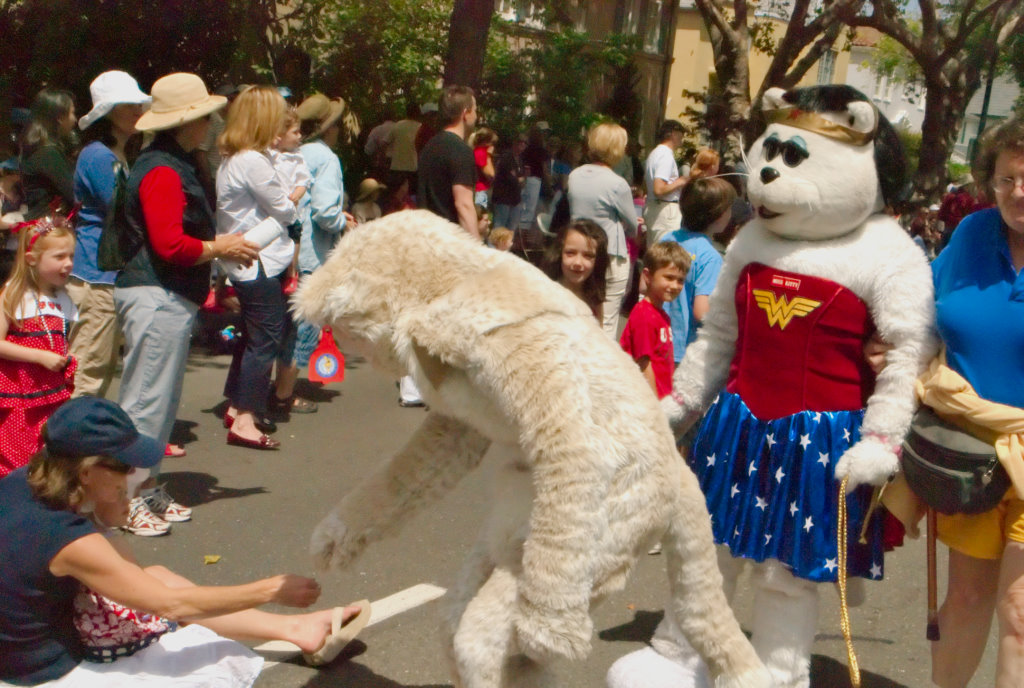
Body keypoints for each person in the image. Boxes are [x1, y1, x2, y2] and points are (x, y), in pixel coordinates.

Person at [0, 396, 369, 687]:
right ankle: (294, 627)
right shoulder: (70, 540)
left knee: (155, 575)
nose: (133, 473)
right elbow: (171, 605)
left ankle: (295, 629)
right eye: (125, 467)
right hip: (45, 671)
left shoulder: (23, 480)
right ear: (85, 471)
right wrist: (269, 590)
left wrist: (109, 508)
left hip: (16, 646)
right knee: (182, 629)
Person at [115, 73, 259, 536]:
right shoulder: (162, 169)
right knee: (146, 402)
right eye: (205, 116)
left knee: (159, 401)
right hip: (156, 294)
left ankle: (143, 486)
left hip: (165, 295)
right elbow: (170, 245)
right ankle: (126, 497)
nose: (212, 123)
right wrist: (221, 247)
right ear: (186, 122)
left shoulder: (169, 163)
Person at [925, 118, 1024, 688]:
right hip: (969, 453)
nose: (1018, 192)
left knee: (1020, 615)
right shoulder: (972, 233)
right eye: (1007, 179)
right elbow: (924, 303)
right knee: (964, 598)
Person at [216, 86, 300, 451]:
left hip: (246, 260)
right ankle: (246, 419)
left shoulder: (234, 157)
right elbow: (285, 209)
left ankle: (237, 405)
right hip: (257, 260)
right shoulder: (252, 160)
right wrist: (291, 202)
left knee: (253, 336)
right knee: (265, 337)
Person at [69, 71, 150, 404]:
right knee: (89, 366)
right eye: (128, 104)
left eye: (138, 103)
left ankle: (77, 431)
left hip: (104, 272)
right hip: (96, 274)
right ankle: (69, 434)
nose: (137, 110)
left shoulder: (114, 154)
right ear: (108, 112)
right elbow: (124, 210)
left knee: (98, 366)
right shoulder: (100, 156)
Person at [0, 214, 76, 478]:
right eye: (59, 257)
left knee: (48, 457)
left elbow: (62, 339)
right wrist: (38, 356)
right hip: (19, 396)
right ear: (32, 259)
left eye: (71, 256)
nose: (68, 264)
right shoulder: (14, 294)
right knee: (17, 458)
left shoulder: (63, 298)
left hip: (51, 393)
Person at [290, 94, 353, 397]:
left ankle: (275, 389)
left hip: (289, 251)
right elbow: (325, 212)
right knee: (306, 326)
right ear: (329, 128)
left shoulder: (294, 152)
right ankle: (287, 393)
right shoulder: (326, 158)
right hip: (312, 253)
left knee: (286, 327)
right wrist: (344, 222)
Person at [567, 121, 638, 337]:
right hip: (610, 253)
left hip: (580, 251)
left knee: (577, 314)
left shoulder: (575, 176)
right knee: (606, 322)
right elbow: (632, 226)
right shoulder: (618, 184)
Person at [659, 177, 734, 363]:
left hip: (657, 337)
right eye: (729, 208)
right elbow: (701, 312)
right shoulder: (710, 257)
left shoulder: (667, 238)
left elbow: (645, 286)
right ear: (718, 216)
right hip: (683, 348)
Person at [619, 241, 690, 400]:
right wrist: (655, 404)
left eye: (680, 280)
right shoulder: (644, 315)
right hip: (644, 399)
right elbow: (643, 364)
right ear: (647, 276)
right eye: (669, 277)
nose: (675, 285)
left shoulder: (662, 315)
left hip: (662, 396)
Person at [417, 85, 480, 238]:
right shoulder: (461, 151)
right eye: (475, 110)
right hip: (449, 242)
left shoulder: (429, 146)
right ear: (466, 113)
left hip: (425, 236)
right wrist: (476, 246)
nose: (476, 116)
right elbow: (463, 205)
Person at [19, 88, 77, 221]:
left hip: (41, 223)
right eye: (72, 113)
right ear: (60, 118)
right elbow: (74, 193)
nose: (75, 119)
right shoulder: (47, 153)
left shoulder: (37, 149)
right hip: (48, 227)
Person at [542, 218, 608, 321]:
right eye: (570, 253)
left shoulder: (594, 298)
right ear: (559, 253)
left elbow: (598, 328)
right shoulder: (546, 294)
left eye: (588, 255)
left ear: (598, 260)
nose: (578, 262)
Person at [643, 120, 687, 246]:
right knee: (666, 251)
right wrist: (680, 181)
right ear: (673, 133)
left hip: (654, 207)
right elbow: (659, 189)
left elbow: (645, 185)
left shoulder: (655, 153)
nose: (682, 137)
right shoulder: (665, 155)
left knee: (655, 250)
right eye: (681, 133)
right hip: (665, 210)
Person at [491, 133, 527, 233]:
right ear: (514, 143)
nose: (522, 145)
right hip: (503, 198)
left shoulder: (520, 160)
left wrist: (520, 179)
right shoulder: (506, 157)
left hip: (515, 199)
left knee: (511, 229)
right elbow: (511, 177)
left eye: (525, 143)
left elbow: (521, 177)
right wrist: (519, 179)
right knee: (499, 227)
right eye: (520, 142)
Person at [386, 102, 422, 191]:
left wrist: (386, 158)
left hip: (396, 168)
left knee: (396, 194)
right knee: (412, 194)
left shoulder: (397, 125)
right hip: (413, 168)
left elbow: (385, 142)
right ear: (418, 113)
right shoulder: (420, 127)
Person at [471, 127, 496, 208]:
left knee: (483, 212)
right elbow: (490, 175)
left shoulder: (477, 151)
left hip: (482, 189)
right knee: (481, 212)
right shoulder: (480, 153)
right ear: (486, 142)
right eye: (491, 142)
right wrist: (488, 156)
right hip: (480, 190)